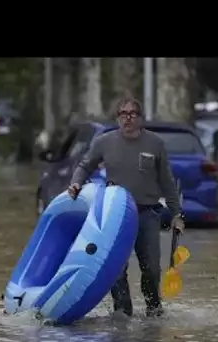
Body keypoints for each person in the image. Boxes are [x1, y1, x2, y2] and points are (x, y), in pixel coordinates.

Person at [67, 97, 184, 318]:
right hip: (116, 216)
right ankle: (122, 312)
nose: (127, 118)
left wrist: (177, 213)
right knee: (116, 271)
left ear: (140, 118)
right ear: (117, 117)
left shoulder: (155, 144)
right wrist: (75, 183)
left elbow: (167, 182)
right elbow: (85, 166)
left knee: (151, 268)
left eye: (132, 114)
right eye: (123, 114)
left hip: (147, 214)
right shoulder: (104, 142)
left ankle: (153, 308)